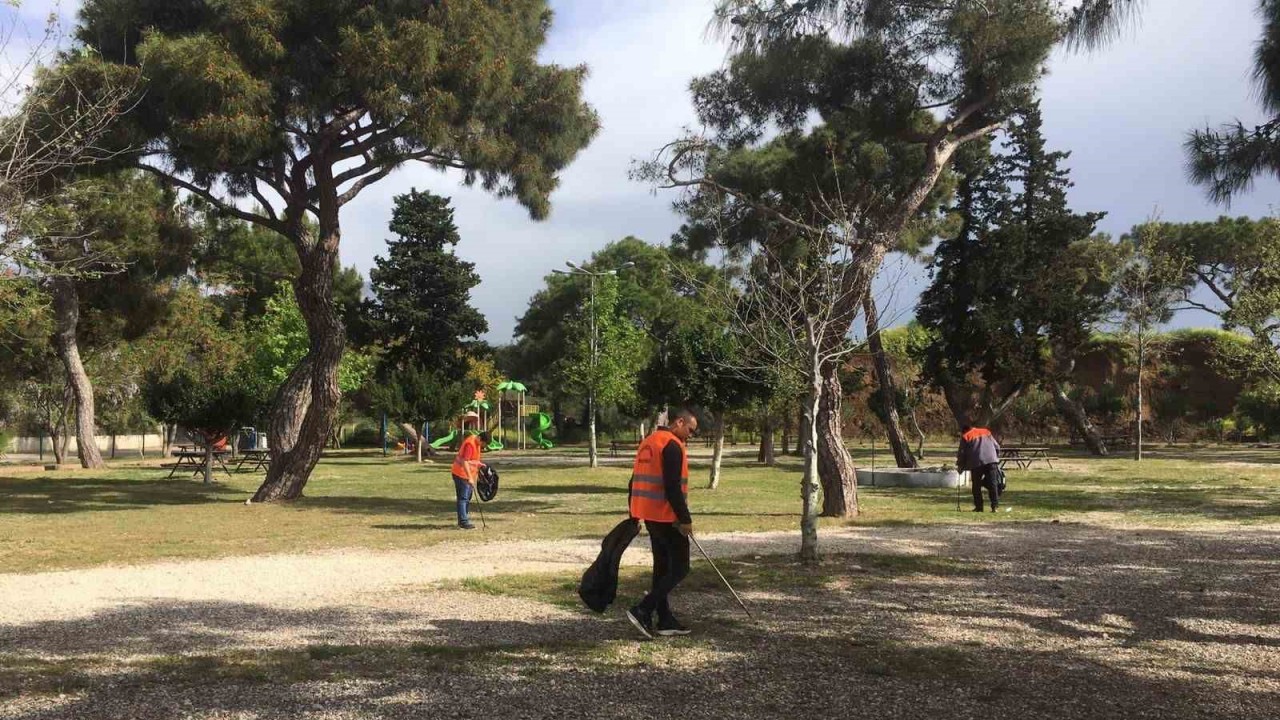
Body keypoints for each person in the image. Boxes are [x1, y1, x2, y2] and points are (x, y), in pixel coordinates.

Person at [626, 408, 698, 639]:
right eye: (690, 430)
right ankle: (643, 609)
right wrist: (685, 519)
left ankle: (665, 619)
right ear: (679, 422)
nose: (690, 435)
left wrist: (634, 511)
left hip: (650, 515)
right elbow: (672, 486)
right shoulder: (672, 445)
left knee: (662, 567)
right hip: (667, 518)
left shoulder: (648, 442)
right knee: (680, 567)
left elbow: (634, 480)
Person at [957, 424, 1001, 512]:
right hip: (991, 461)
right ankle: (995, 506)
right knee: (993, 484)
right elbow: (997, 446)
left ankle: (979, 507)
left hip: (976, 462)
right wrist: (996, 457)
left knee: (976, 485)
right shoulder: (986, 431)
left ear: (964, 431)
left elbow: (962, 453)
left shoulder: (966, 436)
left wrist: (960, 466)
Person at [451, 429, 488, 530]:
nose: (483, 446)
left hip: (467, 474)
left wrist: (479, 464)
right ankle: (463, 522)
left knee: (467, 497)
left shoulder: (476, 443)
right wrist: (470, 477)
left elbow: (473, 460)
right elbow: (465, 461)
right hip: (461, 474)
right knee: (463, 498)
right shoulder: (470, 444)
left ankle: (464, 518)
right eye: (483, 443)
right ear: (480, 438)